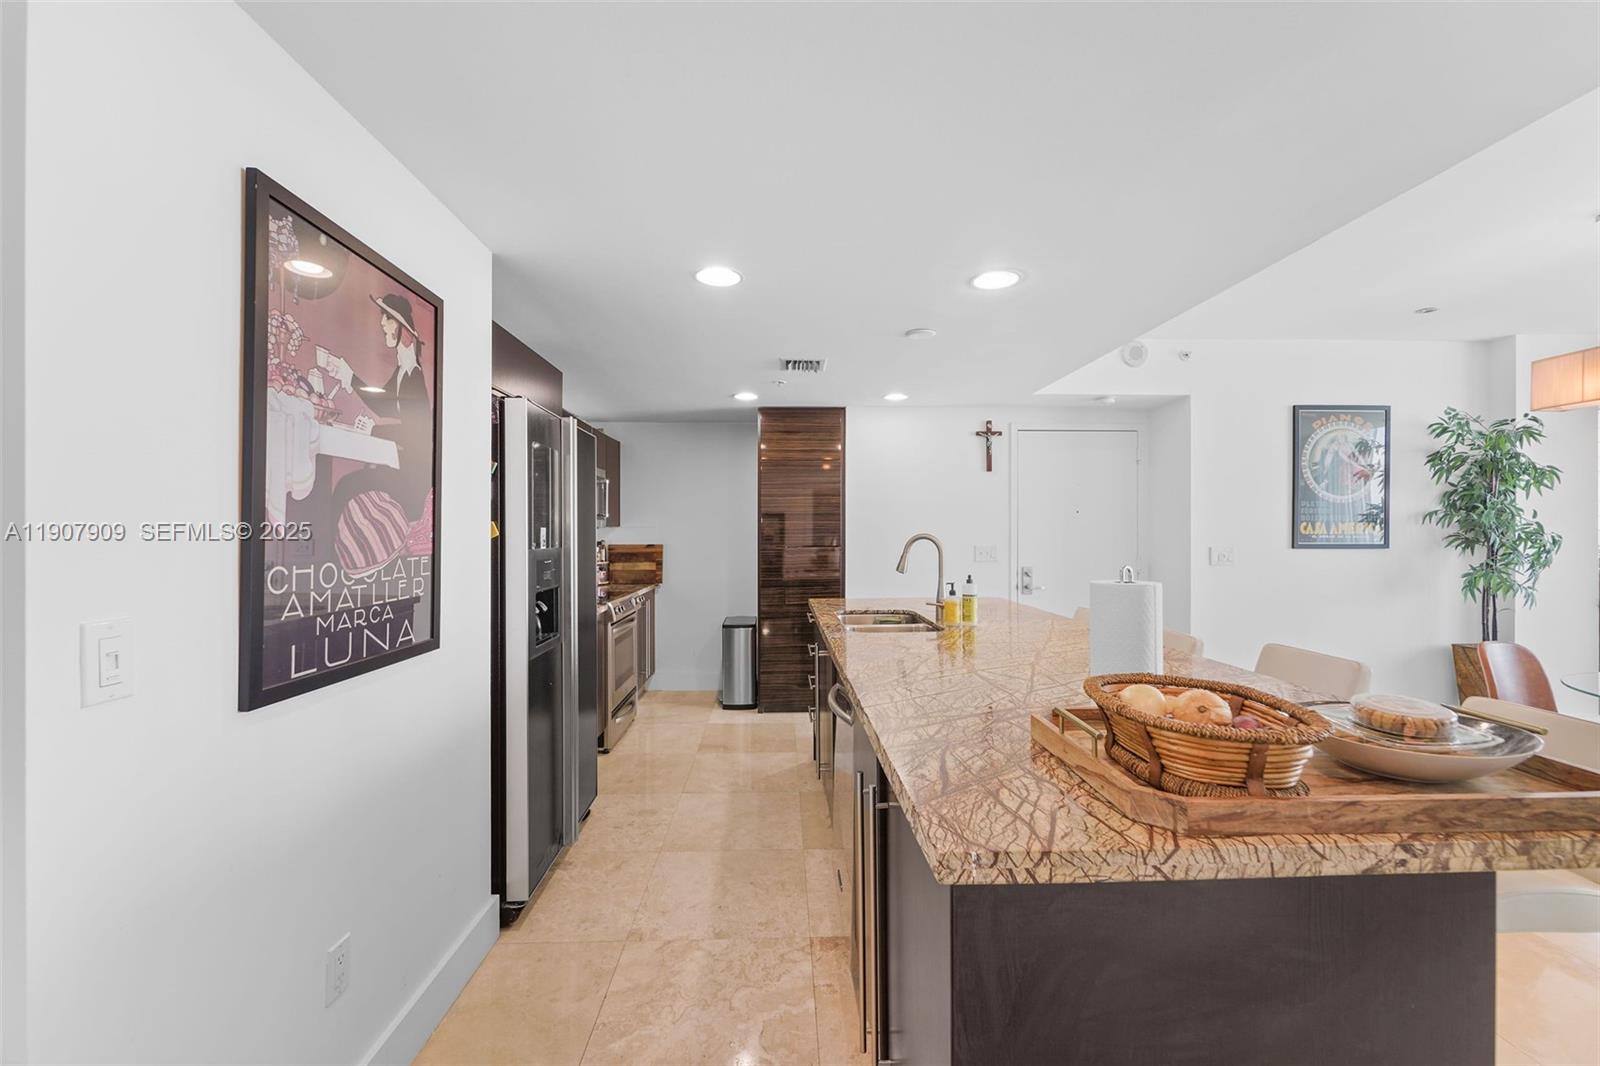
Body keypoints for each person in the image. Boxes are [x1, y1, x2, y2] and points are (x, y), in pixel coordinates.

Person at [329, 293, 433, 522]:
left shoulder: (412, 376)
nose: (382, 323)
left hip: (412, 476)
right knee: (347, 486)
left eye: (387, 318)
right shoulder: (403, 372)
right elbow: (384, 405)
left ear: (400, 326)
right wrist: (349, 375)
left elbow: (418, 431)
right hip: (405, 468)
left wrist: (374, 431)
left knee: (347, 487)